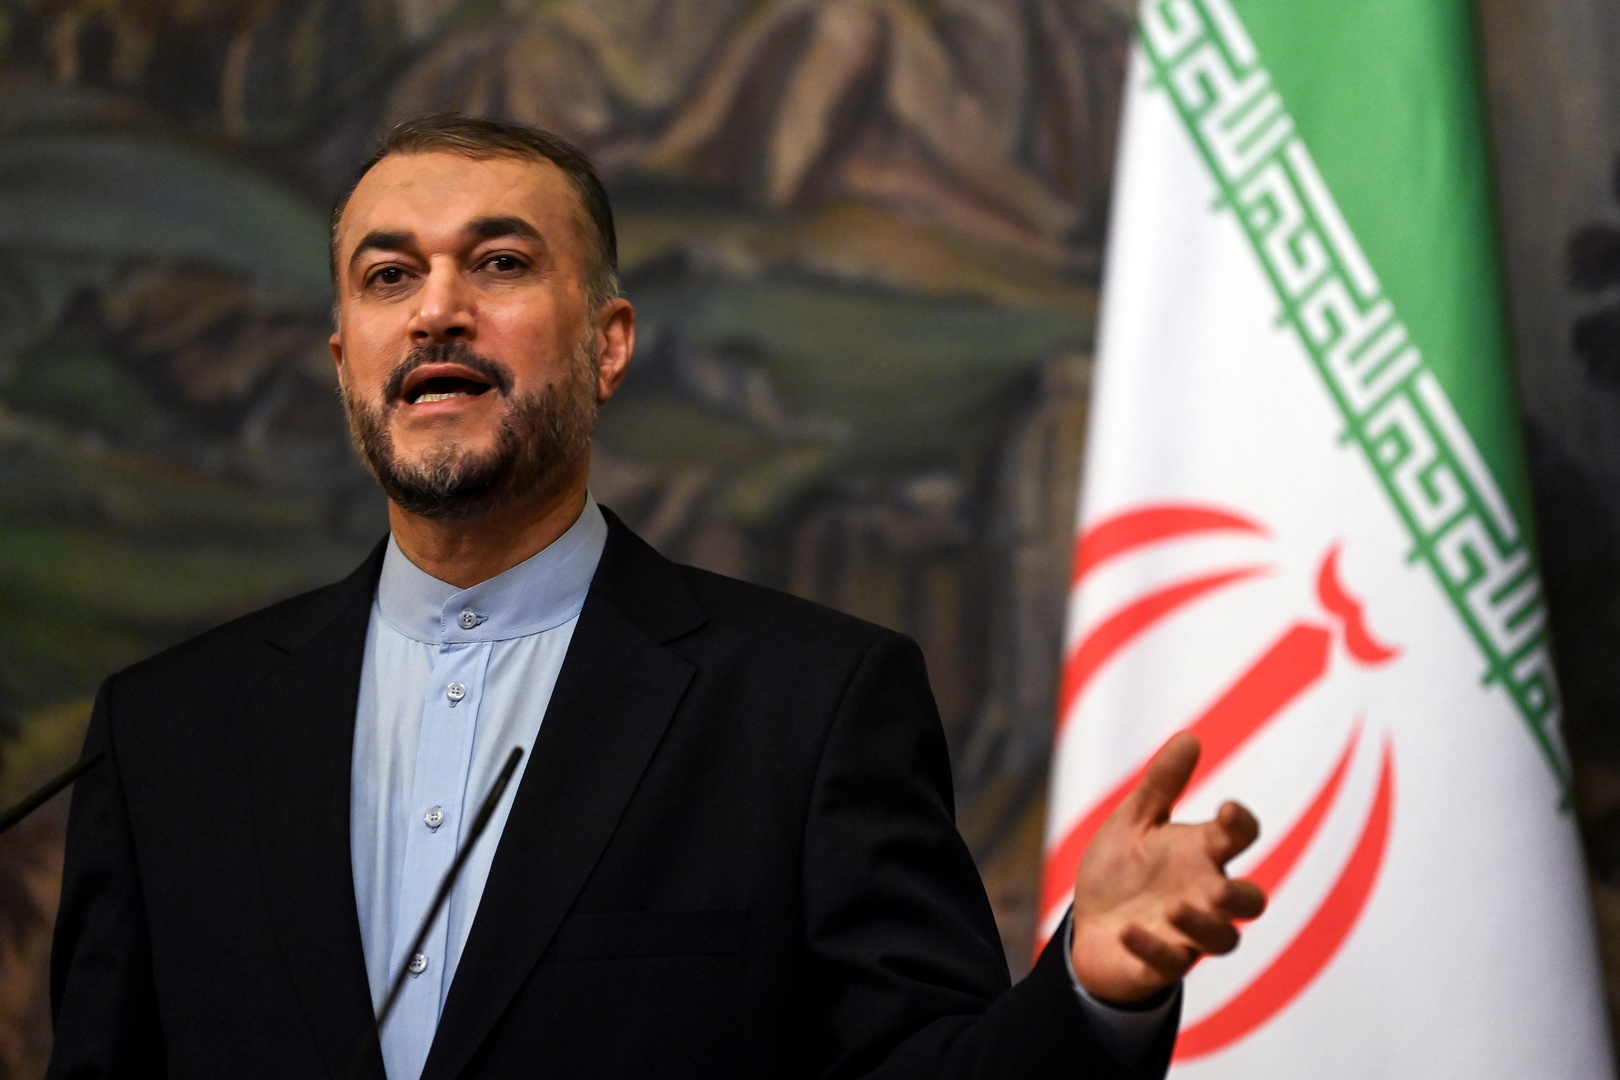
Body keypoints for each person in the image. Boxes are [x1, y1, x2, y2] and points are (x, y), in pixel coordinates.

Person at [48, 116, 1265, 1080]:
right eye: (387, 276)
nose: (436, 309)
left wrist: (1089, 994)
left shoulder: (811, 709)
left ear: (609, 345)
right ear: (344, 360)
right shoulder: (167, 738)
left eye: (500, 263)